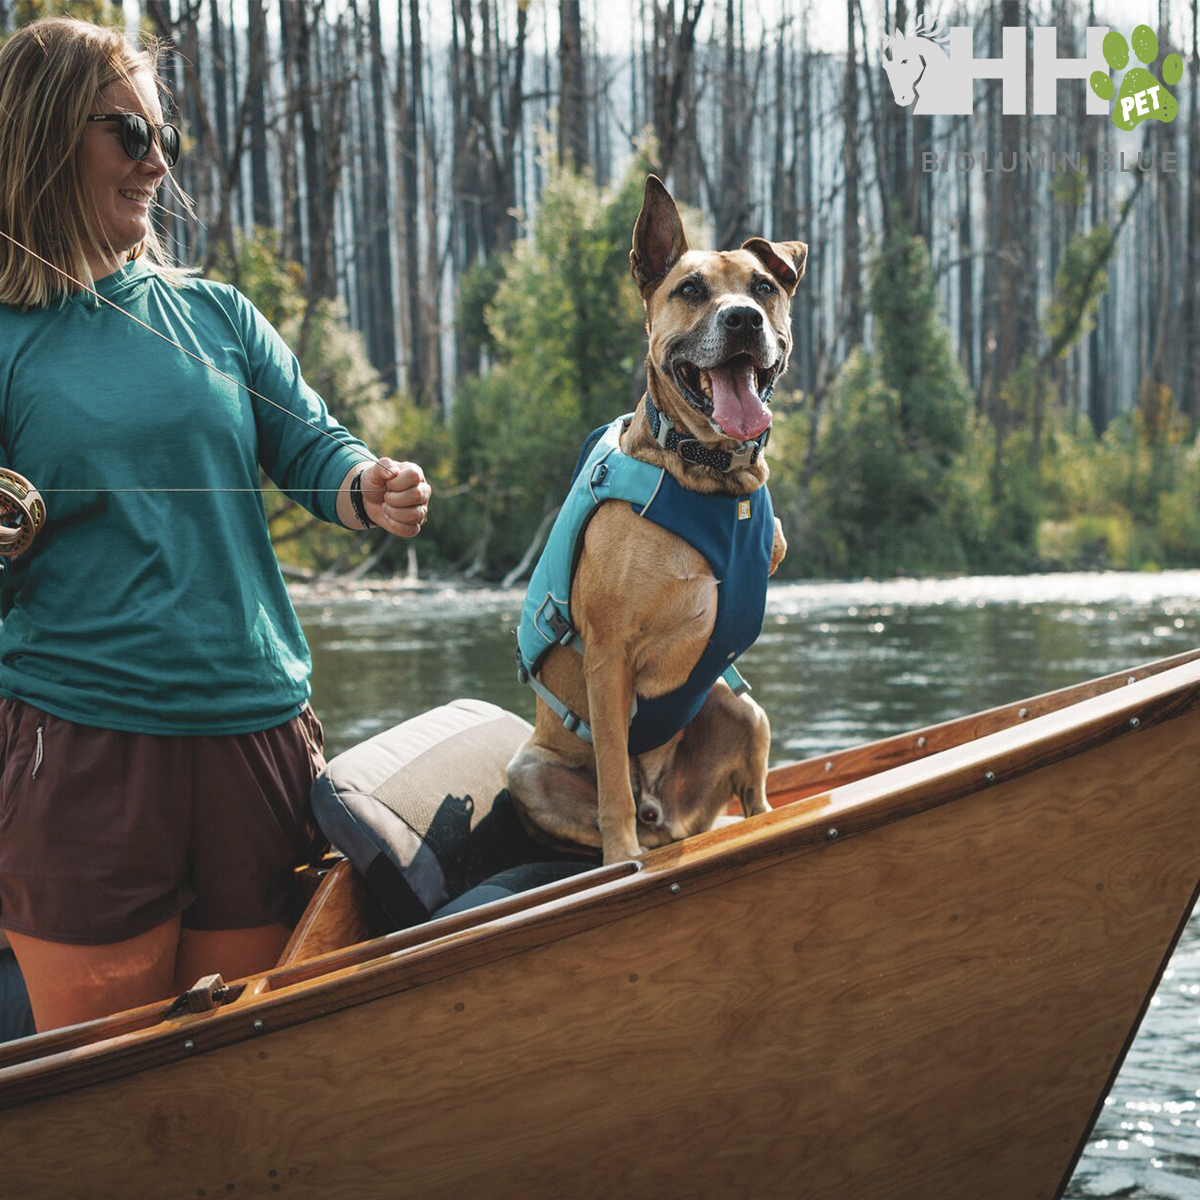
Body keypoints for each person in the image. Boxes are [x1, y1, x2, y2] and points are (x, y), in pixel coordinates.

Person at [0, 16, 431, 1033]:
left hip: (259, 750)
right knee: (103, 1088)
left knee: (250, 1068)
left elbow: (315, 449)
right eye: (129, 134)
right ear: (47, 136)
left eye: (167, 139)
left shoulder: (220, 317)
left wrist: (367, 483)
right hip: (85, 760)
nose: (159, 163)